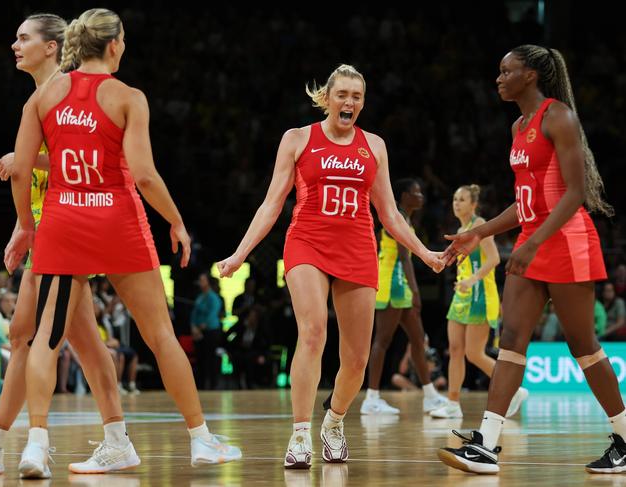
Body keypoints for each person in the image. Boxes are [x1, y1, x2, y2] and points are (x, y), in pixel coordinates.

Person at [4, 8, 240, 479]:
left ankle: (35, 446)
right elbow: (146, 176)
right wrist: (176, 221)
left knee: (46, 340)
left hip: (63, 222)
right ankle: (201, 440)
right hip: (117, 221)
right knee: (160, 337)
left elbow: (22, 164)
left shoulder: (46, 96)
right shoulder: (128, 96)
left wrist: (26, 224)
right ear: (114, 45)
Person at [217, 64, 444, 469]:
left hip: (357, 246)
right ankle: (300, 433)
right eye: (342, 94)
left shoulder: (374, 145)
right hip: (307, 242)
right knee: (313, 332)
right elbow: (272, 205)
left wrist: (425, 253)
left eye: (357, 96)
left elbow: (390, 213)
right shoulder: (298, 139)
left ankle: (334, 422)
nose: (350, 102)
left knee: (356, 358)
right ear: (327, 97)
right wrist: (239, 254)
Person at [438, 44, 626, 475]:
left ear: (531, 76)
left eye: (507, 71)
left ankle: (625, 436)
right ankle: (486, 444)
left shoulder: (558, 117)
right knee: (512, 342)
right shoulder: (518, 126)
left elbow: (575, 194)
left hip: (566, 241)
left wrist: (534, 241)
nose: (498, 78)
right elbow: (525, 201)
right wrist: (479, 232)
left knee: (584, 347)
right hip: (533, 240)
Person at [0, 13, 141, 477]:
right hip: (48, 230)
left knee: (26, 332)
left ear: (52, 47)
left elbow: (92, 161)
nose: (14, 44)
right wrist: (21, 226)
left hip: (72, 231)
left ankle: (3, 444)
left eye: (24, 37)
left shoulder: (71, 92)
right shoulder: (40, 96)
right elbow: (37, 179)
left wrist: (28, 159)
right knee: (83, 344)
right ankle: (116, 439)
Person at [430, 185, 528, 419]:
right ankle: (453, 404)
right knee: (455, 350)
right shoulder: (461, 228)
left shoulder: (479, 224)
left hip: (480, 295)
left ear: (473, 204)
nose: (456, 203)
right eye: (454, 199)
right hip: (462, 295)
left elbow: (494, 259)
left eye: (462, 199)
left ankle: (515, 391)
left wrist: (472, 280)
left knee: (474, 353)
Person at [360, 178, 447, 415]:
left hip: (401, 285)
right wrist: (416, 291)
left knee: (418, 340)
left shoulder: (404, 218)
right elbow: (404, 258)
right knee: (382, 340)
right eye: (415, 192)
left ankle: (429, 395)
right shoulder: (395, 216)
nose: (420, 196)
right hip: (392, 284)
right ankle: (372, 397)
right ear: (403, 196)